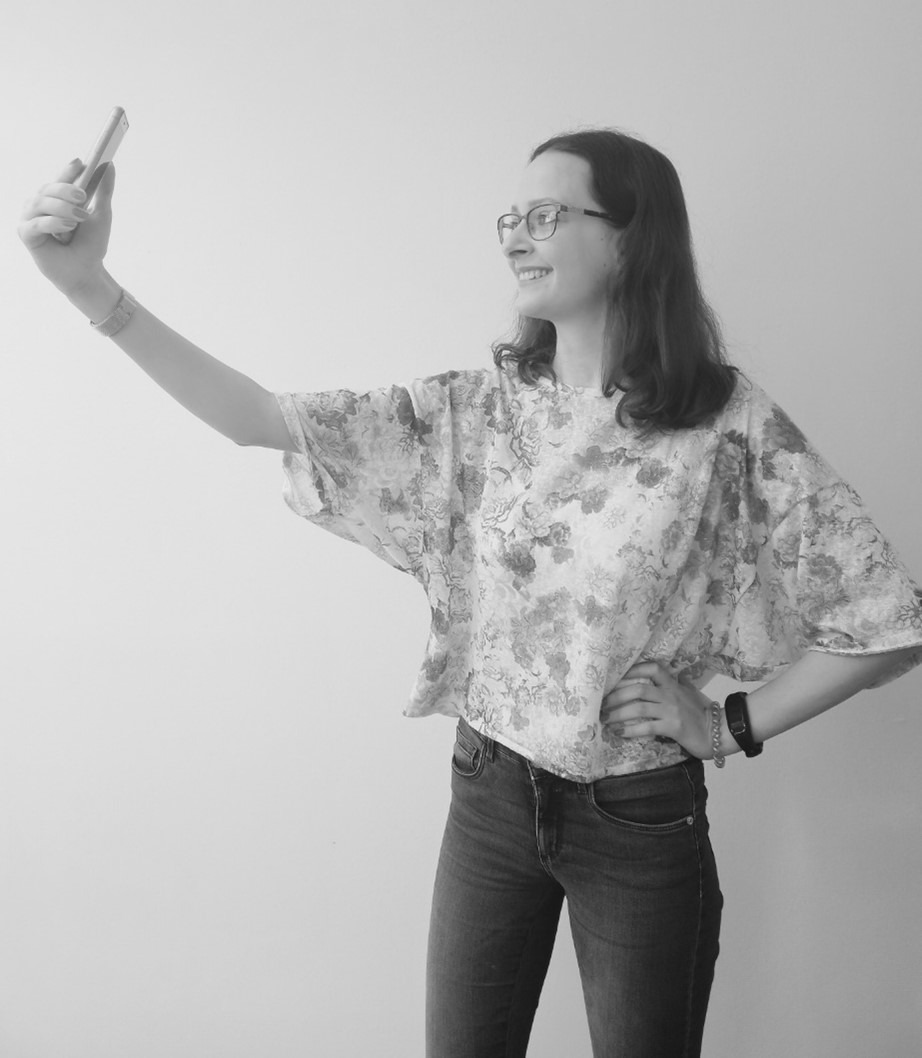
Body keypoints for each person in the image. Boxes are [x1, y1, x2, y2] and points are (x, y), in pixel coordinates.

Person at [19, 127, 922, 1058]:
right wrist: (92, 290)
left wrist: (731, 724)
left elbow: (887, 619)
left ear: (631, 236)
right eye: (510, 219)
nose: (515, 237)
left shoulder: (726, 423)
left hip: (638, 818)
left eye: (546, 215)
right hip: (490, 795)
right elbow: (259, 418)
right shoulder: (481, 411)